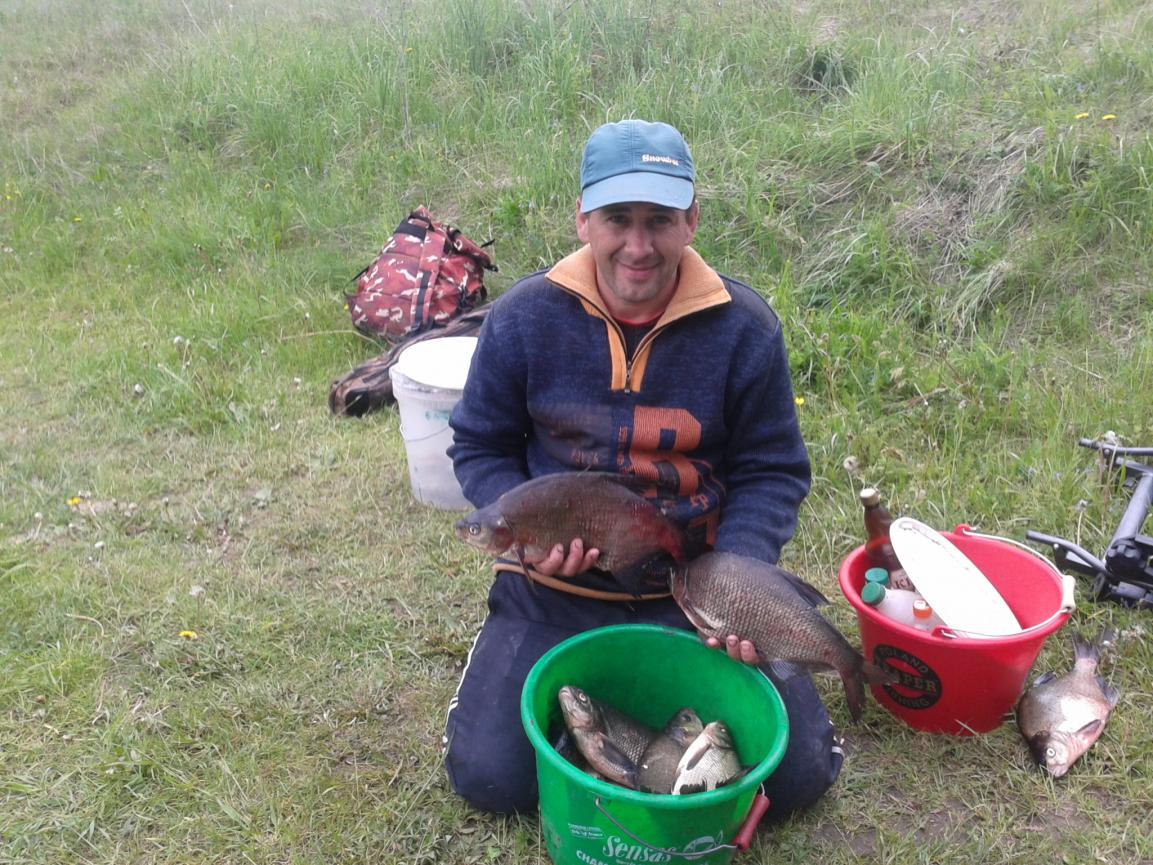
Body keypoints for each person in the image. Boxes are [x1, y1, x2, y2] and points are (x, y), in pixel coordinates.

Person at [442, 119, 842, 817]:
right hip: (553, 586)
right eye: (617, 219)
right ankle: (587, 713)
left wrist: (739, 579)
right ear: (582, 219)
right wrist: (525, 524)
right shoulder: (523, 317)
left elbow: (772, 470)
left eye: (658, 220)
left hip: (695, 589)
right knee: (489, 778)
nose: (637, 245)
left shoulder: (744, 327)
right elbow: (478, 443)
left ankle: (617, 715)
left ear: (691, 220)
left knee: (800, 776)